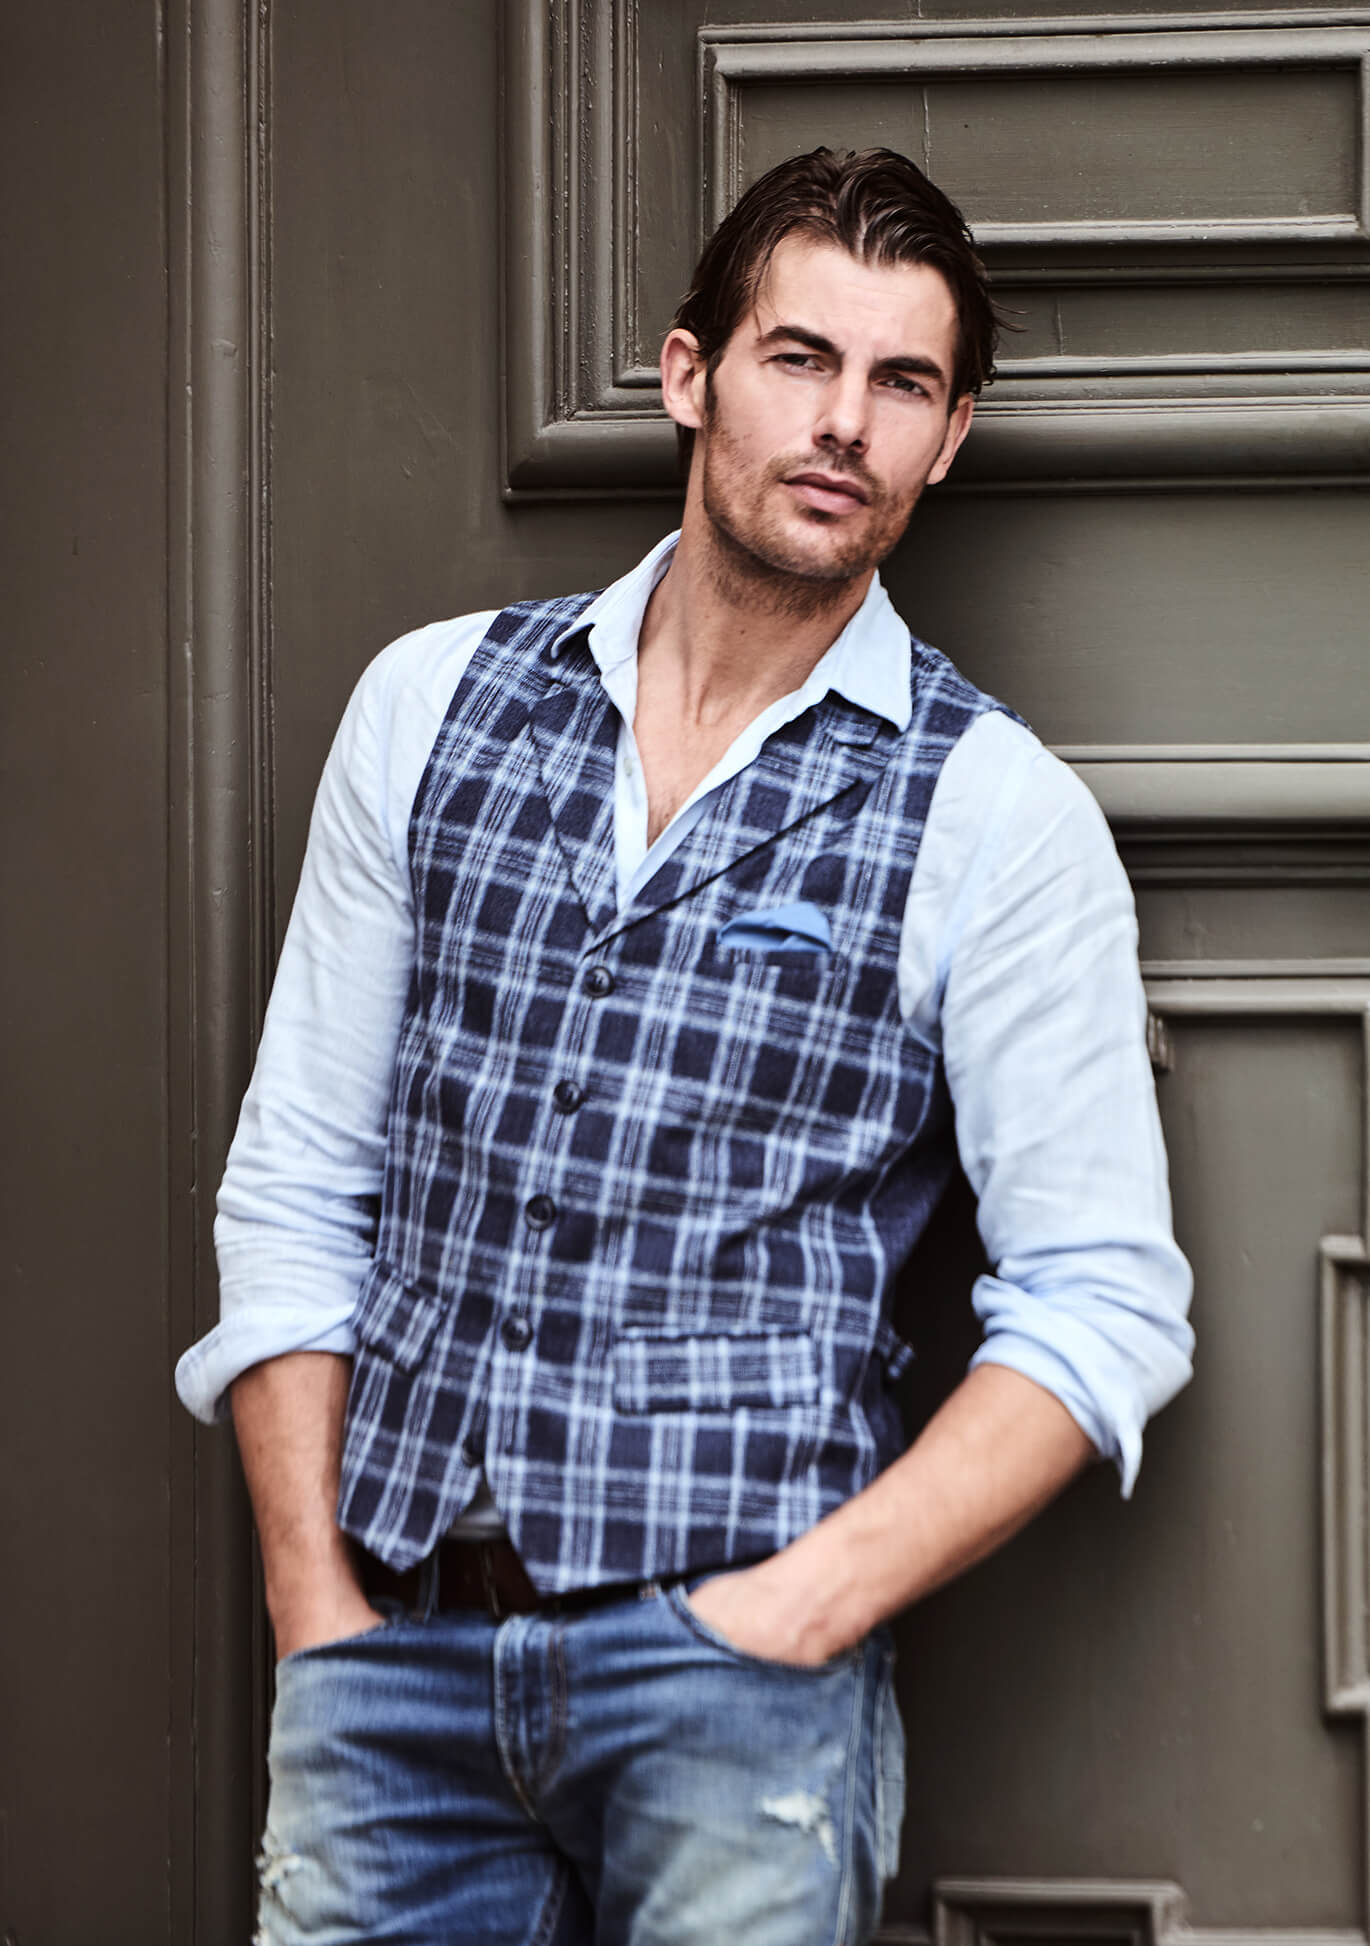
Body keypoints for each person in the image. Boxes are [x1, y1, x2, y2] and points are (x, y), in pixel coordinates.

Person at [176, 146, 1193, 1946]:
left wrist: (792, 1617)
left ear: (948, 437)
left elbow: (1102, 1306)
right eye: (798, 358)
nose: (844, 422)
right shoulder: (430, 705)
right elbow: (298, 1182)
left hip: (735, 1693)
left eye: (902, 383)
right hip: (393, 1656)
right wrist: (314, 1610)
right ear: (687, 373)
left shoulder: (992, 811)